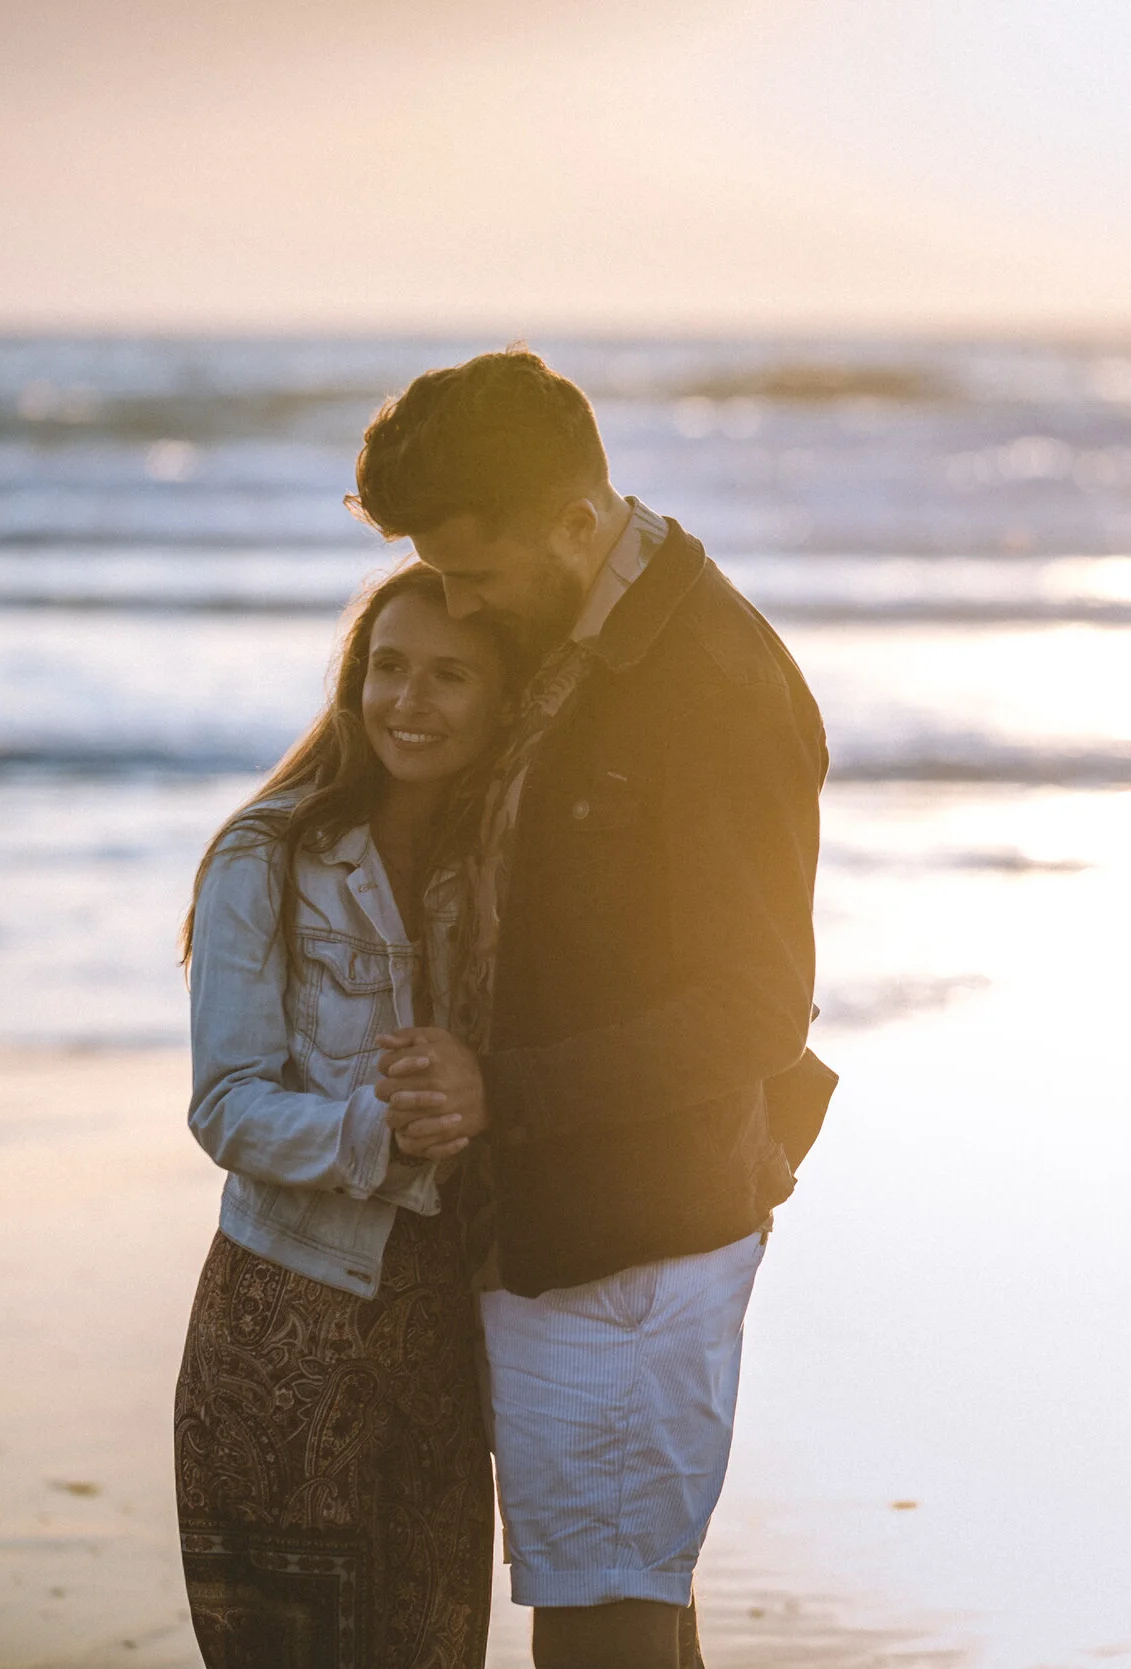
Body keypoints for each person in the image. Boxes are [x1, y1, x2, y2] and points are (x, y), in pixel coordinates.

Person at [348, 348, 835, 1669]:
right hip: (563, 1227)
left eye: (474, 574)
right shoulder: (565, 636)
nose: (454, 605)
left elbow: (757, 1008)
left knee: (599, 1630)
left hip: (641, 1241)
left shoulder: (712, 683)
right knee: (626, 1608)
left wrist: (506, 1087)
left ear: (578, 521)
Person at [172, 563, 517, 1668]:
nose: (410, 702)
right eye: (390, 669)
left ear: (501, 697)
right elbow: (226, 1106)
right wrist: (376, 1131)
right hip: (287, 1320)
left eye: (450, 675)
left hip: (444, 1336)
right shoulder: (263, 857)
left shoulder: (499, 870)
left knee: (434, 1642)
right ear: (353, 682)